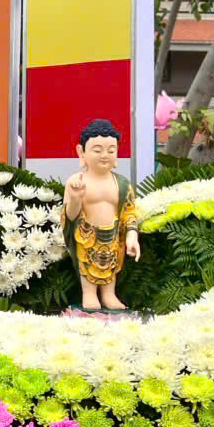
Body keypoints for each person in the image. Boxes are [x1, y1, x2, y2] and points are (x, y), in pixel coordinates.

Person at [62, 119, 140, 310]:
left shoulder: (122, 184)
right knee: (87, 265)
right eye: (97, 150)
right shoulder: (76, 181)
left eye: (111, 150)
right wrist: (75, 198)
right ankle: (89, 294)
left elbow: (129, 212)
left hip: (113, 237)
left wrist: (132, 236)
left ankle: (109, 295)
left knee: (111, 267)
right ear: (81, 152)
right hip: (86, 236)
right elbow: (70, 217)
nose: (105, 155)